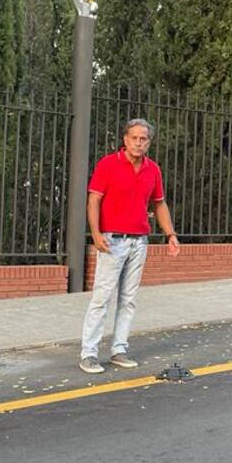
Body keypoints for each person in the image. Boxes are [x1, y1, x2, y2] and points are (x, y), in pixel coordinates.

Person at [79, 118, 180, 374]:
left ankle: (119, 349)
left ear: (149, 142)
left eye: (143, 138)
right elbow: (94, 201)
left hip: (139, 242)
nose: (138, 142)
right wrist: (96, 233)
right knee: (102, 297)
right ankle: (89, 353)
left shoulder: (152, 170)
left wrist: (170, 234)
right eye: (134, 137)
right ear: (125, 139)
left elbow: (159, 203)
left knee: (128, 299)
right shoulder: (108, 165)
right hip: (112, 241)